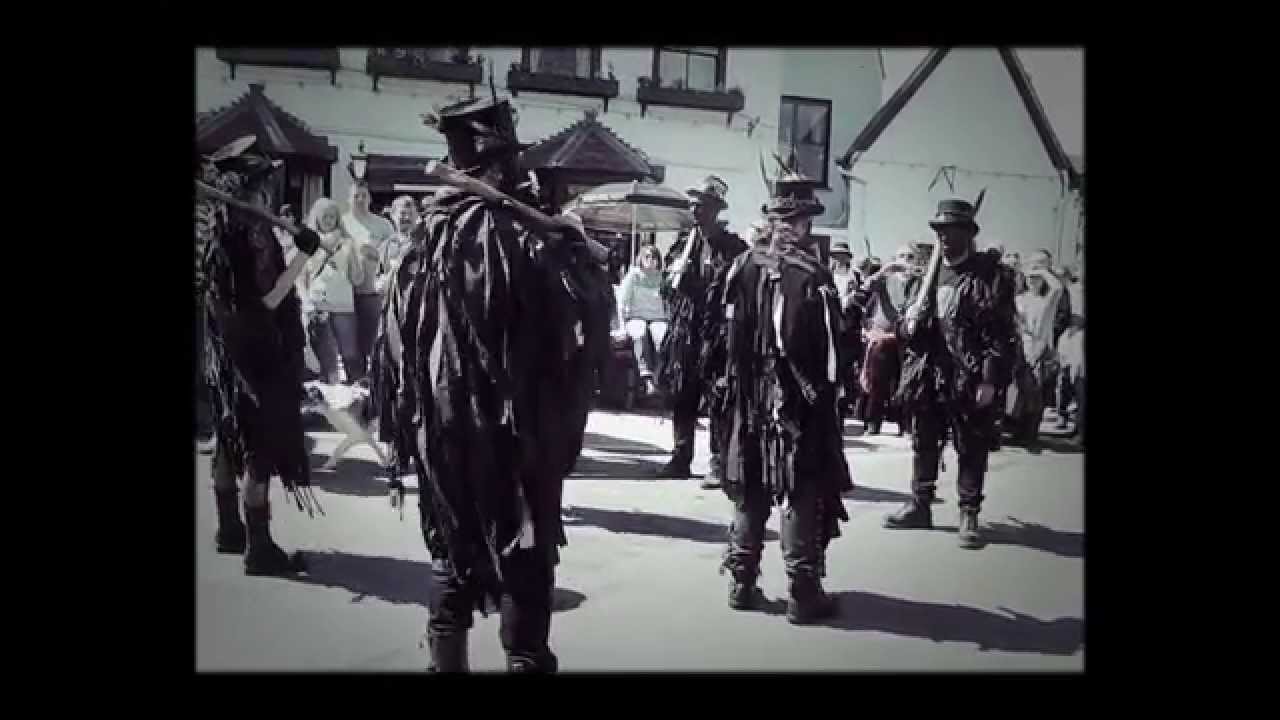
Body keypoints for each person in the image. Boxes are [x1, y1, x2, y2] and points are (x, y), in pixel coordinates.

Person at [370, 95, 611, 673]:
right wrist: (580, 261)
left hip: (442, 435)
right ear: (500, 166)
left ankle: (445, 664)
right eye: (514, 162)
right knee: (524, 553)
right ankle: (525, 659)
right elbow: (569, 333)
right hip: (512, 435)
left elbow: (396, 346)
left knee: (450, 550)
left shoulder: (422, 240)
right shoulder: (516, 237)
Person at [711, 165, 852, 623]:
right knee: (800, 489)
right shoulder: (813, 275)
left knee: (752, 488)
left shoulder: (742, 267)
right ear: (805, 222)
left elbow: (727, 339)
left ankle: (740, 583)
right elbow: (833, 356)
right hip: (798, 406)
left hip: (749, 400)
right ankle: (802, 593)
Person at [196, 135, 323, 575]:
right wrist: (304, 256)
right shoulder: (254, 232)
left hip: (224, 354)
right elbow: (269, 299)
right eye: (265, 181)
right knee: (258, 447)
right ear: (256, 189)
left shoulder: (219, 224)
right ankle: (260, 547)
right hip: (258, 353)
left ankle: (229, 531)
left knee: (229, 437)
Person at [883, 196, 1018, 549]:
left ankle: (969, 512)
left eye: (952, 230)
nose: (945, 237)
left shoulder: (989, 278)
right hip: (928, 373)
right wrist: (907, 326)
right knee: (924, 441)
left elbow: (1001, 334)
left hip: (968, 375)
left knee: (971, 445)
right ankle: (920, 505)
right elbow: (903, 326)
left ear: (968, 234)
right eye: (940, 230)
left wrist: (989, 378)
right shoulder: (925, 277)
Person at [655, 176, 746, 488]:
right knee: (683, 395)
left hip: (717, 332)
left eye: (702, 205)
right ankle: (681, 457)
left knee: (718, 397)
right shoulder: (683, 245)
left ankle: (718, 461)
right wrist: (673, 275)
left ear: (715, 209)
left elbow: (740, 289)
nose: (695, 210)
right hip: (685, 330)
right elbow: (667, 287)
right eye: (692, 205)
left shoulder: (733, 248)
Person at [854, 244, 921, 436]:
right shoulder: (885, 279)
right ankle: (873, 422)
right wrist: (885, 270)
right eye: (901, 256)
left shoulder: (920, 282)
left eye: (910, 256)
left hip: (907, 337)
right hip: (883, 336)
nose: (906, 260)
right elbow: (865, 288)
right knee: (878, 382)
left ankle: (905, 424)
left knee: (906, 381)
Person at [300, 198, 364, 385]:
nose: (328, 220)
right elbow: (300, 276)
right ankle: (329, 402)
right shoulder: (307, 240)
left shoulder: (347, 243)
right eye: (324, 216)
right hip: (318, 303)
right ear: (317, 218)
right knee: (325, 358)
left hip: (343, 303)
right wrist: (306, 301)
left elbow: (357, 278)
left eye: (332, 217)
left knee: (350, 354)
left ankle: (357, 396)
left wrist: (358, 258)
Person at [344, 180, 395, 384]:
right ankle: (354, 384)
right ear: (348, 199)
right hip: (343, 293)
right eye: (355, 196)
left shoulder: (382, 224)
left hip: (371, 291)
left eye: (363, 196)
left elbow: (395, 253)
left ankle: (371, 384)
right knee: (349, 345)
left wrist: (375, 253)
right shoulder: (341, 222)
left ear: (370, 198)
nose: (360, 200)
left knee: (371, 341)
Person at [618, 244, 669, 396]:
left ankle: (659, 376)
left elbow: (669, 301)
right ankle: (646, 378)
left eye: (654, 257)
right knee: (639, 334)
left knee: (662, 336)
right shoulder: (633, 275)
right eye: (647, 256)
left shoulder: (663, 278)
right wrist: (622, 325)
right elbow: (622, 302)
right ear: (641, 258)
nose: (650, 260)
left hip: (658, 318)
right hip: (636, 316)